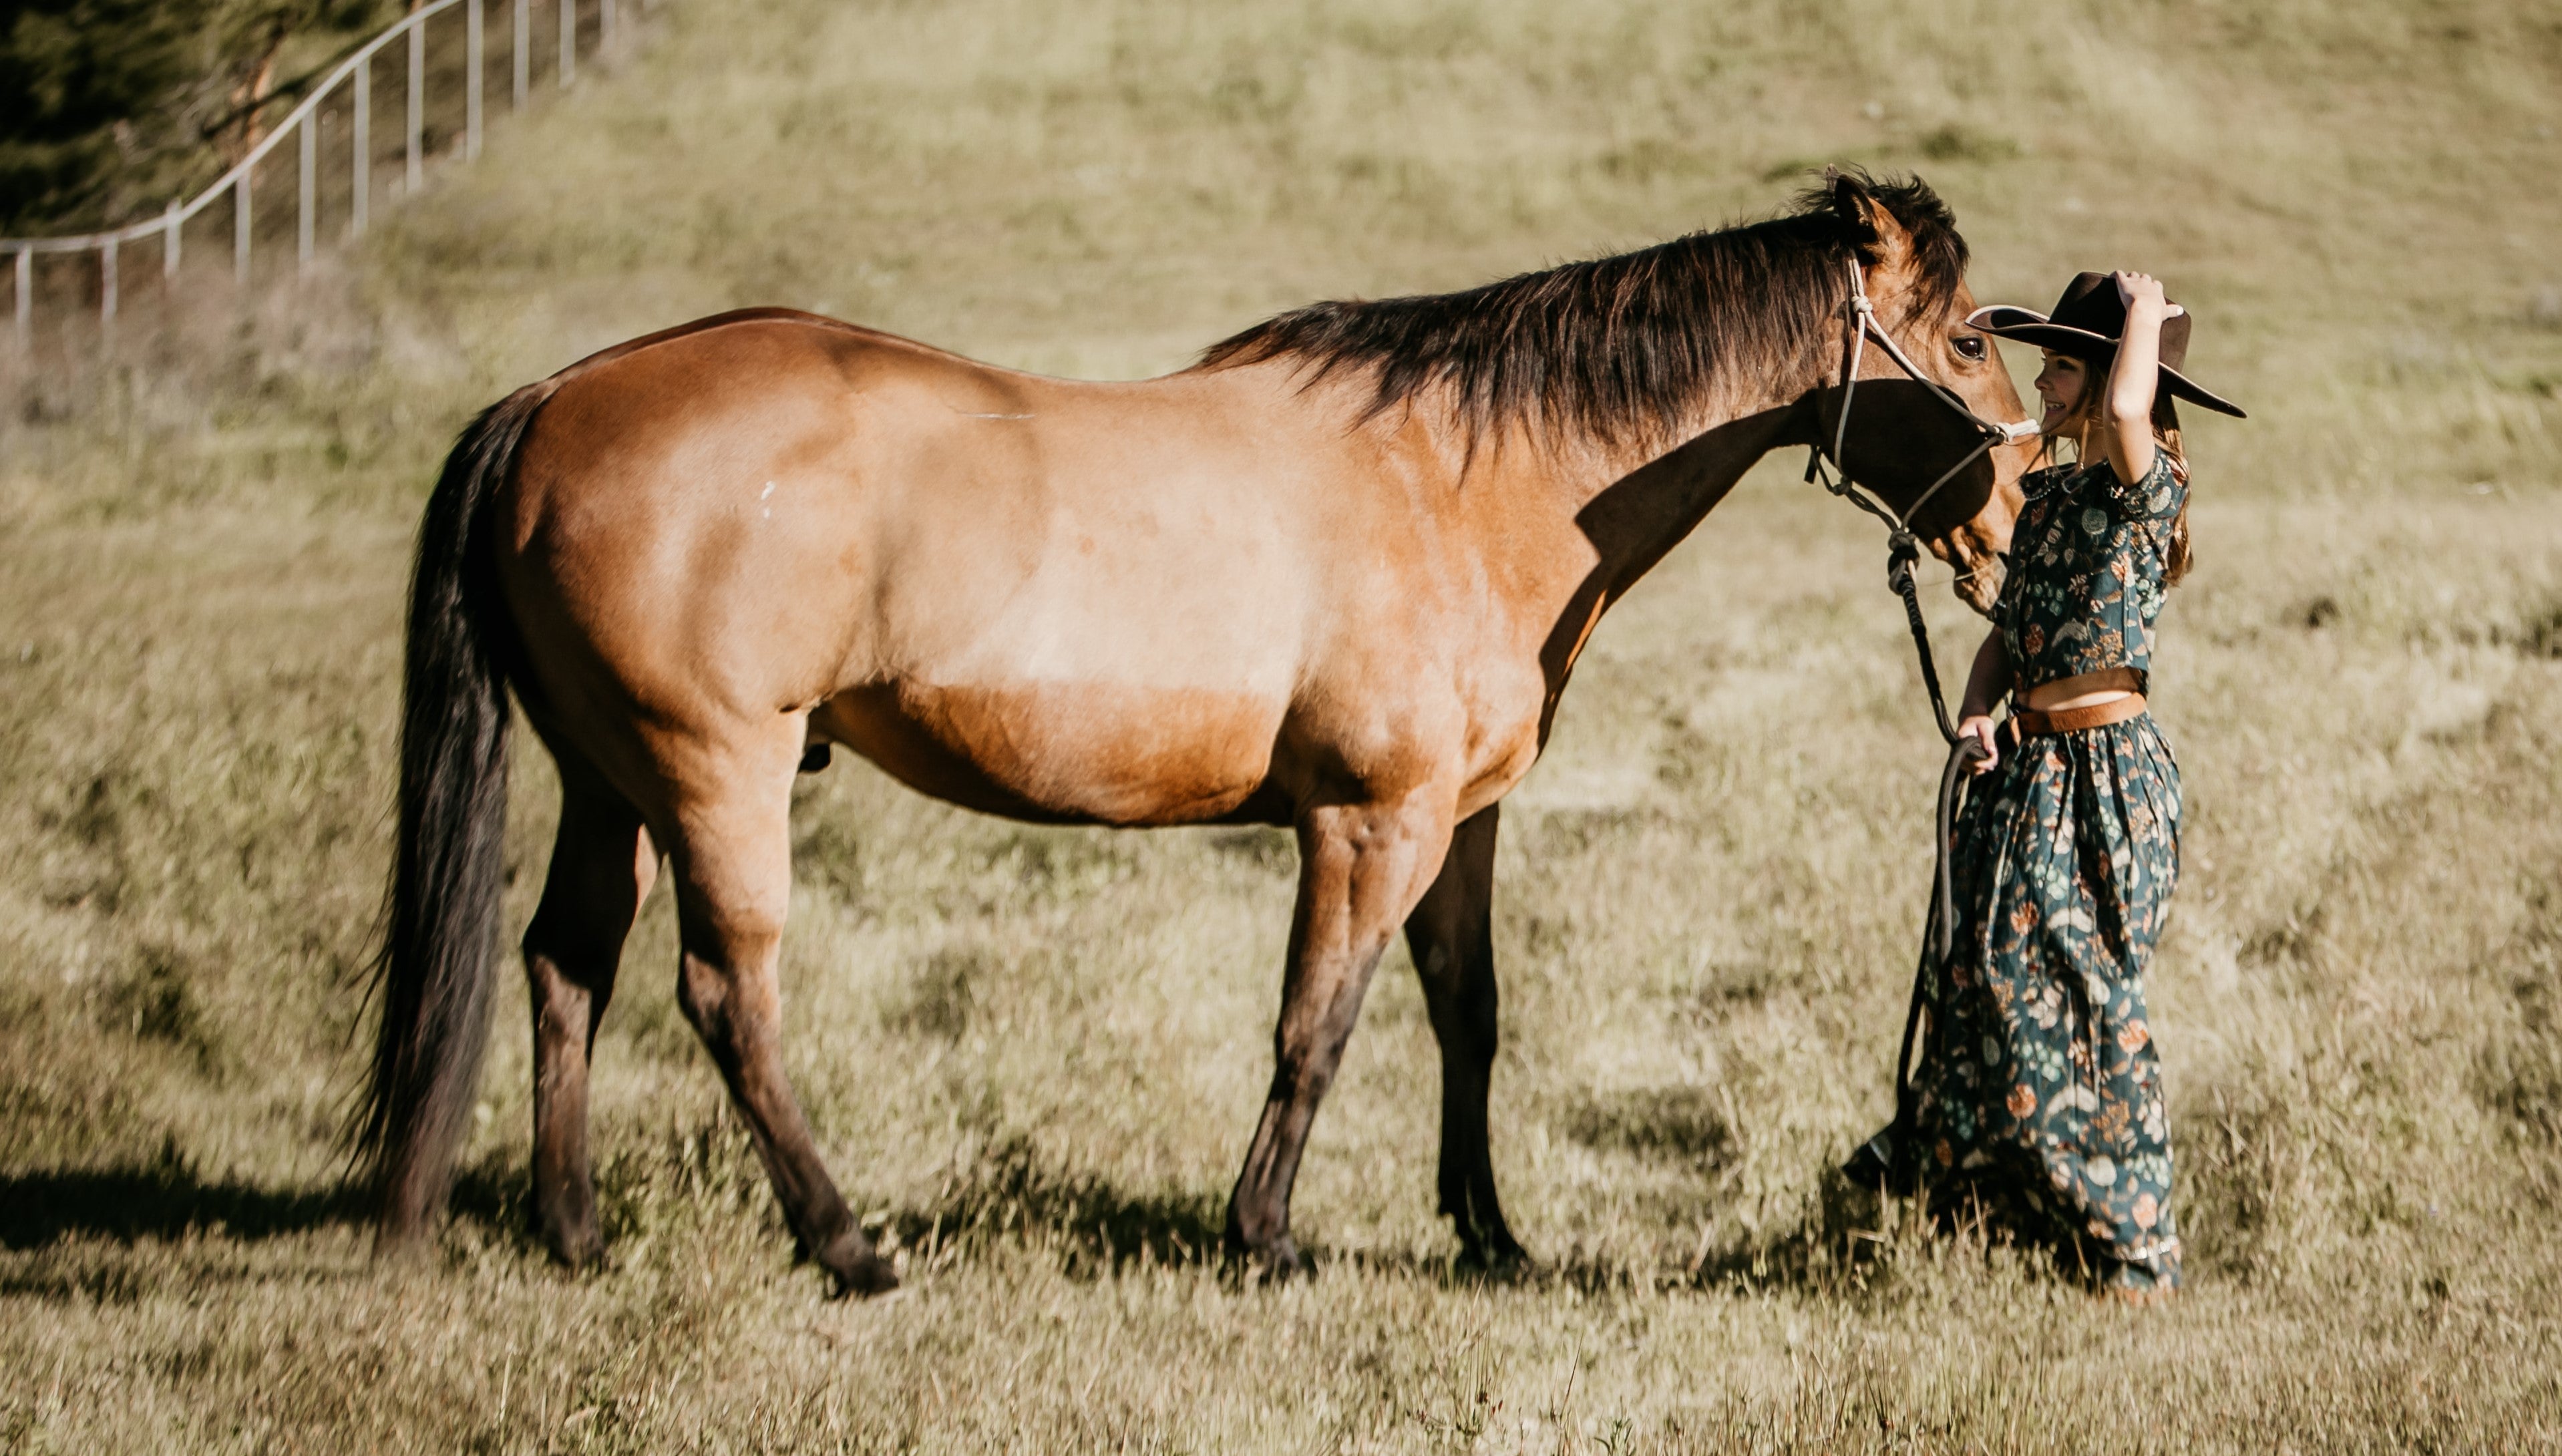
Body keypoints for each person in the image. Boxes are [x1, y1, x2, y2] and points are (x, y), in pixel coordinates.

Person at [1845, 270, 2246, 1300]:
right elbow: (2005, 637)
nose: (2044, 379)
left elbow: (2124, 406)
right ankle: (1982, 1200)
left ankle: (2132, 1240)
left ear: (2121, 378)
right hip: (2027, 771)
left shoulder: (2143, 483)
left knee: (2089, 993)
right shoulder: (2054, 499)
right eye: (2052, 361)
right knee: (1980, 975)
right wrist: (1980, 713)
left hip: (2108, 778)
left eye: (2064, 364)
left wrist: (2146, 319)